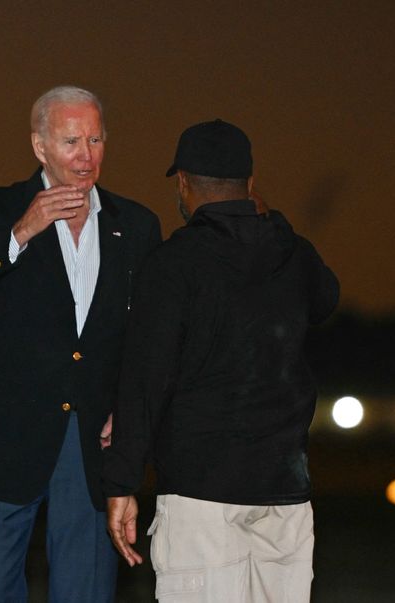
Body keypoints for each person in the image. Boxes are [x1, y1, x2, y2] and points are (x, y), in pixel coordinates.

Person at [0, 85, 162, 602]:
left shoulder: (137, 225)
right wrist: (23, 230)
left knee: (85, 591)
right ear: (40, 146)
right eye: (71, 141)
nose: (86, 155)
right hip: (7, 436)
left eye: (96, 139)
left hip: (91, 443)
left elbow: (147, 336)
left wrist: (128, 411)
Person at [103, 119, 340, 602]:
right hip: (283, 489)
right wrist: (273, 221)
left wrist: (121, 482)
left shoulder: (173, 264)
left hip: (201, 492)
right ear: (251, 185)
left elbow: (144, 379)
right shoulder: (291, 253)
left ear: (184, 183)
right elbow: (327, 298)